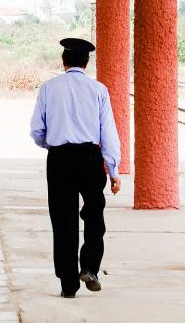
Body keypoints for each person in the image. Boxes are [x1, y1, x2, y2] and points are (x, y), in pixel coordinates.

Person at [30, 36, 121, 298]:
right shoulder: (99, 90)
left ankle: (68, 284)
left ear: (63, 62)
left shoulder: (49, 88)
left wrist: (51, 145)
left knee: (63, 220)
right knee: (94, 215)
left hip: (59, 159)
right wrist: (113, 170)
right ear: (87, 62)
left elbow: (37, 129)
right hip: (90, 158)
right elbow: (109, 134)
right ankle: (90, 268)